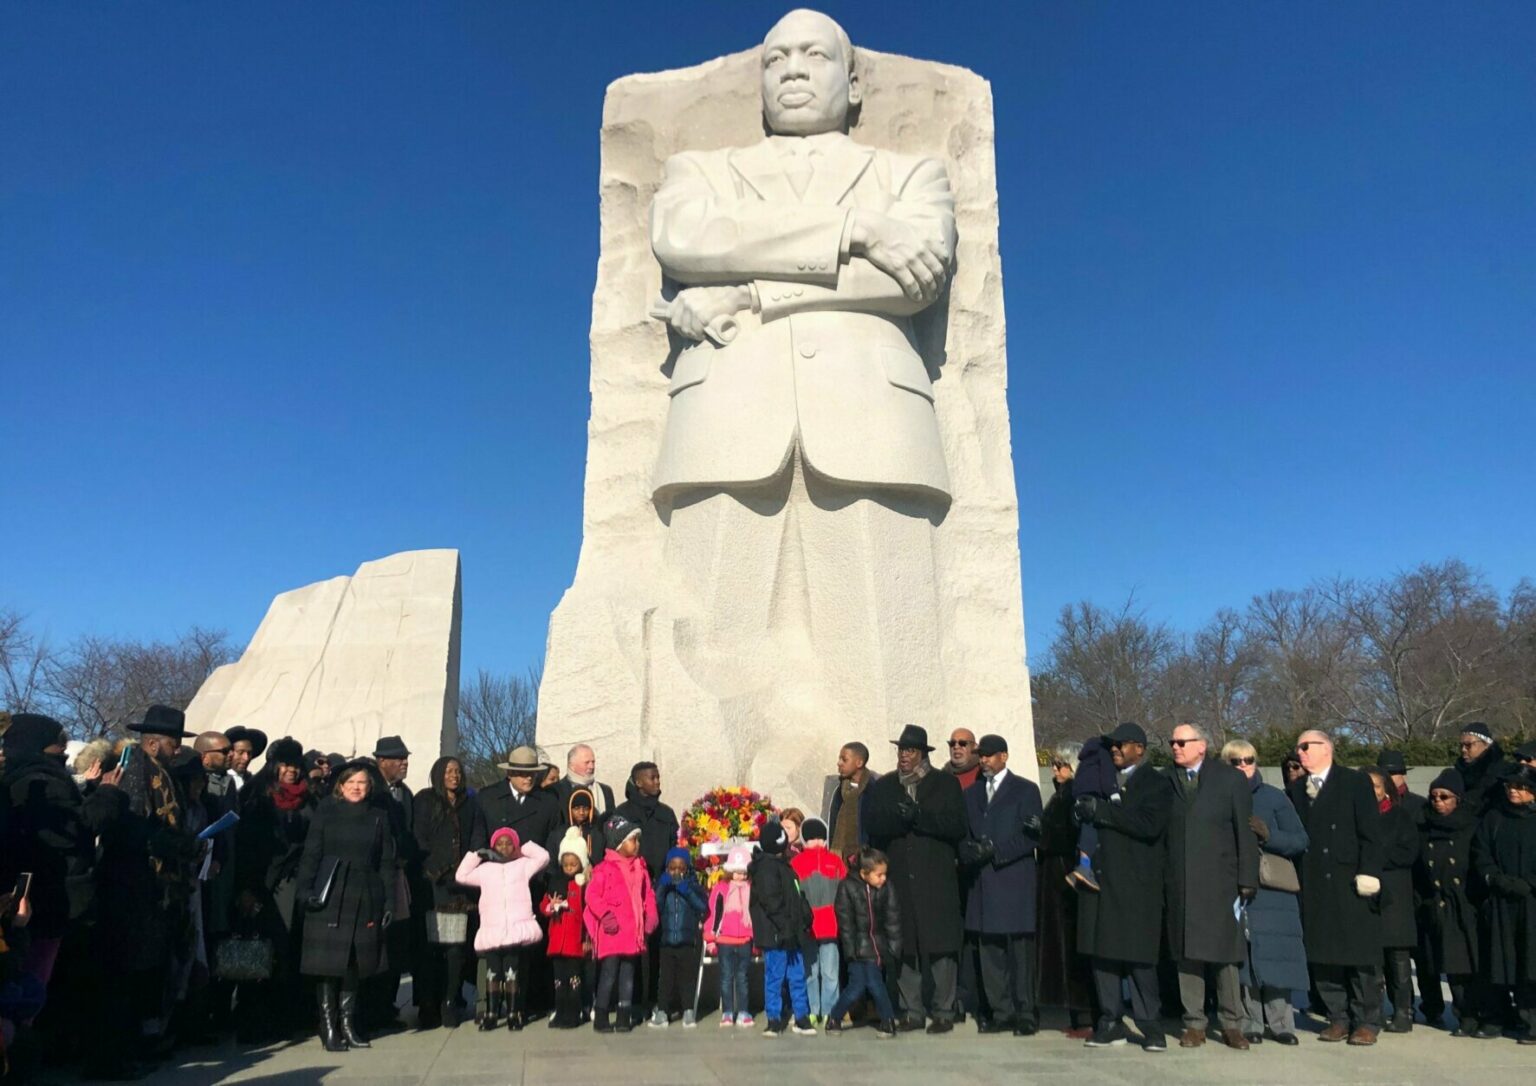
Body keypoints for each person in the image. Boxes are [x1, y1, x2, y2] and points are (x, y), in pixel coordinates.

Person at [647, 9, 960, 754]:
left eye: (813, 55)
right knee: (704, 654)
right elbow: (687, 242)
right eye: (775, 57)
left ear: (852, 83)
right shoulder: (703, 172)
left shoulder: (911, 173)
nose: (790, 68)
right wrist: (856, 230)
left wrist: (752, 293)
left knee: (888, 653)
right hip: (724, 420)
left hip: (872, 424)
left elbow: (911, 284)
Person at [87, 705, 204, 1075]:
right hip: (131, 888)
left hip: (151, 890)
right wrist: (173, 843)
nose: (177, 750)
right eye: (173, 743)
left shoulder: (160, 773)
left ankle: (139, 1044)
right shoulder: (136, 773)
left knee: (145, 974)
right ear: (152, 744)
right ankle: (114, 1055)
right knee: (124, 976)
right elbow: (131, 828)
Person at [1074, 721, 1173, 1053]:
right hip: (1101, 880)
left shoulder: (1156, 783)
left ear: (1140, 749)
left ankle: (1150, 1026)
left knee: (1139, 959)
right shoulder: (1100, 779)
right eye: (1112, 745)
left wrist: (1103, 811)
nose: (1114, 749)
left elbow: (1149, 825)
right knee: (1103, 958)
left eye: (1122, 744)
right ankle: (1110, 1021)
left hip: (1136, 884)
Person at [863, 725, 967, 1033]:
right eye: (900, 750)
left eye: (909, 751)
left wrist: (919, 816)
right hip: (899, 878)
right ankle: (911, 1010)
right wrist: (899, 817)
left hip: (937, 877)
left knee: (941, 946)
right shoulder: (885, 786)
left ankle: (944, 1010)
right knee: (904, 945)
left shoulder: (945, 784)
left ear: (922, 753)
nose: (903, 756)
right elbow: (874, 824)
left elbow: (956, 825)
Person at [1161, 723, 1258, 1050]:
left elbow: (1243, 832)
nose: (1175, 747)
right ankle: (1194, 1023)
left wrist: (1247, 878)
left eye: (1182, 742)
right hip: (1180, 881)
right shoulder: (1166, 779)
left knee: (1225, 956)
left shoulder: (1229, 779)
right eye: (1172, 742)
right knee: (1187, 954)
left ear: (1202, 745)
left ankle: (1232, 1023)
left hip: (1220, 882)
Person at [1288, 729, 1385, 1045]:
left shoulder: (1353, 781)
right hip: (1314, 882)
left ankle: (1367, 1020)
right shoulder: (1297, 789)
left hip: (1349, 880)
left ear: (1325, 748)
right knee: (1323, 954)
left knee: (1359, 955)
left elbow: (1371, 831)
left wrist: (1369, 871)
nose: (1300, 753)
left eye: (1306, 746)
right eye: (1298, 748)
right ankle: (1337, 1017)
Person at [295, 760, 398, 1053]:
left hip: (364, 892)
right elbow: (311, 854)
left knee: (354, 963)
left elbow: (386, 862)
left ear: (370, 786)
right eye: (350, 782)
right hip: (330, 890)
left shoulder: (379, 816)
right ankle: (328, 1026)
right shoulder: (326, 811)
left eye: (362, 783)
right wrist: (305, 890)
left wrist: (389, 900)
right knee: (329, 965)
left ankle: (349, 1024)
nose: (356, 787)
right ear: (340, 786)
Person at [1221, 739, 1307, 1046]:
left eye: (1249, 760)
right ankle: (1250, 1021)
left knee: (1277, 954)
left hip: (1272, 889)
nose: (1243, 766)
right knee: (1243, 957)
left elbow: (1299, 839)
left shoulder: (1273, 797)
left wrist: (1269, 836)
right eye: (1236, 761)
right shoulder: (1217, 796)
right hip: (1233, 884)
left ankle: (1282, 1023)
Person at [959, 733, 1043, 1036]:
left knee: (1020, 953)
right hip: (982, 883)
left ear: (1004, 757)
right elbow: (965, 832)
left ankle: (1025, 1013)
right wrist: (967, 851)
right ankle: (1001, 1011)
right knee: (990, 952)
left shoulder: (1025, 790)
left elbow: (1032, 834)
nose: (983, 761)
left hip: (1013, 880)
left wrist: (997, 851)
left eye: (989, 755)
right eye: (981, 755)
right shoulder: (972, 793)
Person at [232, 737, 314, 1044]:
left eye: (295, 765)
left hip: (297, 884)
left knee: (291, 952)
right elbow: (246, 846)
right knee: (262, 952)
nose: (291, 771)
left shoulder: (308, 798)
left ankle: (288, 1016)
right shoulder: (256, 795)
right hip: (262, 884)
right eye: (285, 765)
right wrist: (246, 888)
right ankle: (254, 1019)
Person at [412, 756, 486, 1029]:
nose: (454, 776)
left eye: (457, 771)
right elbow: (418, 838)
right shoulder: (425, 800)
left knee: (456, 948)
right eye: (448, 771)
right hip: (434, 885)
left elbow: (478, 837)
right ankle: (427, 1002)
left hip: (461, 885)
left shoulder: (471, 803)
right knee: (431, 948)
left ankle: (450, 1001)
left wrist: (469, 865)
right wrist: (435, 868)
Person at [456, 828, 549, 1031]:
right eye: (500, 844)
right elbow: (461, 876)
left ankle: (514, 1012)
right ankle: (491, 1012)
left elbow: (543, 857)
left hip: (514, 929)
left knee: (512, 972)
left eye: (509, 843)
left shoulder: (523, 865)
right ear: (493, 847)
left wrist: (523, 847)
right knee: (492, 972)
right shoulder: (485, 869)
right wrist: (476, 856)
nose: (504, 847)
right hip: (493, 929)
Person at [1414, 768, 1483, 1035]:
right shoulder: (1425, 827)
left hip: (1464, 903)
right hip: (1435, 902)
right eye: (1434, 797)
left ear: (1458, 799)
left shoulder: (1470, 826)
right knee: (1444, 963)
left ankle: (1473, 1013)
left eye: (1445, 797)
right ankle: (1459, 1013)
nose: (1438, 802)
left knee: (1466, 964)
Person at [1471, 763, 1536, 1044]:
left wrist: (1529, 882)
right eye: (1511, 787)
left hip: (1532, 902)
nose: (1515, 792)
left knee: (1530, 961)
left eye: (1521, 788)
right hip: (1500, 899)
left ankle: (1531, 1019)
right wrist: (1495, 878)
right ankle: (1498, 1015)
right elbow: (1480, 851)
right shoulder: (1494, 818)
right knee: (1499, 959)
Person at [1034, 743, 1096, 1036]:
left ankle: (1084, 1015)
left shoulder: (1074, 795)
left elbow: (1070, 834)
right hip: (1054, 875)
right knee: (1061, 944)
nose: (1055, 769)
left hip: (1067, 875)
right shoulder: (1060, 795)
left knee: (1073, 944)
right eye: (1054, 763)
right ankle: (1073, 1011)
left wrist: (1042, 833)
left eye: (1061, 764)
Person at [613, 761, 679, 1021]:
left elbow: (675, 846)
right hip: (630, 889)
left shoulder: (666, 814)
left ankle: (655, 999)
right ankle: (630, 1001)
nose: (657, 782)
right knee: (632, 948)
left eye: (658, 777)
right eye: (652, 778)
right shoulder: (622, 813)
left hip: (660, 888)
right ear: (638, 782)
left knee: (658, 948)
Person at [584, 814, 658, 1033]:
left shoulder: (640, 869)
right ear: (618, 843)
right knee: (608, 973)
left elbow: (648, 896)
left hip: (632, 932)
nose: (636, 845)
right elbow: (592, 896)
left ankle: (624, 1014)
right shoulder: (604, 869)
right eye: (632, 840)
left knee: (628, 974)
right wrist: (605, 915)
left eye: (637, 840)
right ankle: (602, 1014)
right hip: (612, 932)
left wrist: (650, 917)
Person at [1365, 764, 1420, 1033]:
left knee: (1398, 959)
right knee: (1371, 959)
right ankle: (1373, 1013)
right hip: (1366, 894)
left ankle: (1403, 1011)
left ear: (1386, 788)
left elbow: (1409, 852)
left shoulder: (1400, 816)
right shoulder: (1356, 816)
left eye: (1375, 786)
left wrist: (1376, 860)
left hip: (1395, 893)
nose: (1371, 791)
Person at [826, 847, 902, 1039]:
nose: (883, 879)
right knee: (857, 987)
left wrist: (893, 946)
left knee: (875, 984)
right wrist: (850, 950)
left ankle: (887, 1021)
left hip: (877, 947)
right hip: (859, 949)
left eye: (885, 874)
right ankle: (835, 1016)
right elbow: (846, 923)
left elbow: (892, 918)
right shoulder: (847, 887)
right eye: (879, 875)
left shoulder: (887, 888)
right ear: (864, 873)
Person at [749, 818, 815, 1037]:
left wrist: (805, 913)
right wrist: (785, 926)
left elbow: (796, 893)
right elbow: (771, 901)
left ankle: (801, 1016)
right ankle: (774, 1018)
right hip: (776, 933)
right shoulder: (766, 868)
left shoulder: (785, 866)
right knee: (775, 976)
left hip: (791, 932)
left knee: (797, 975)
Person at [790, 817, 846, 1025]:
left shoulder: (833, 861)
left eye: (819, 837)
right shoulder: (799, 863)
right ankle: (819, 1010)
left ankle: (825, 1010)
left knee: (822, 971)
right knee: (817, 972)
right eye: (812, 838)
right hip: (814, 925)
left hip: (823, 924)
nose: (816, 841)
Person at [651, 846, 708, 1028]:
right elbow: (656, 907)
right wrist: (662, 887)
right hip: (667, 941)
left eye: (681, 868)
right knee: (665, 979)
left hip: (687, 940)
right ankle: (662, 1011)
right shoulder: (664, 888)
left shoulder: (692, 886)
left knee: (687, 978)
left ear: (687, 869)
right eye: (672, 868)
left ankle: (688, 1011)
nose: (676, 872)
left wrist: (687, 890)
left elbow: (702, 907)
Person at [541, 834, 591, 1029]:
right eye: (566, 864)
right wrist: (551, 906)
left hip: (574, 941)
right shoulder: (555, 882)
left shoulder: (581, 885)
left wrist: (587, 937)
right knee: (559, 980)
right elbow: (543, 906)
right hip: (557, 941)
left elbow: (587, 911)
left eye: (573, 864)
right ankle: (560, 1011)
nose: (569, 868)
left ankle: (574, 1011)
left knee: (574, 979)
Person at [705, 846, 755, 1028]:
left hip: (745, 940)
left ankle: (743, 1011)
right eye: (736, 872)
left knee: (742, 977)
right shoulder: (721, 889)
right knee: (726, 977)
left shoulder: (751, 889)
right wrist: (710, 938)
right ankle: (727, 1012)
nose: (740, 876)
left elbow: (754, 916)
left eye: (743, 873)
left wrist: (755, 939)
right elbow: (713, 914)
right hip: (725, 939)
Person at [1067, 734, 1118, 892]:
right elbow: (1107, 775)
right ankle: (1084, 866)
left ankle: (1078, 870)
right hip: (1094, 794)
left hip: (1080, 796)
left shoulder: (1084, 759)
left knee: (1084, 829)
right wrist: (1114, 794)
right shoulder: (1103, 752)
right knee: (1091, 830)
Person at [828, 742, 877, 861]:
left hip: (865, 859)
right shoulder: (838, 789)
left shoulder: (873, 789)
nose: (839, 763)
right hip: (839, 859)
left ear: (859, 763)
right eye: (839, 759)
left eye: (844, 760)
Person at [551, 744, 617, 821]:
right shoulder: (556, 791)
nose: (591, 766)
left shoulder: (605, 791)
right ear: (572, 765)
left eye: (593, 762)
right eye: (587, 762)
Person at [1456, 723, 1507, 815]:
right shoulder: (1458, 771)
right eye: (1461, 745)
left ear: (1486, 744)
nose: (1463, 749)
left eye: (1468, 745)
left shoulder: (1501, 772)